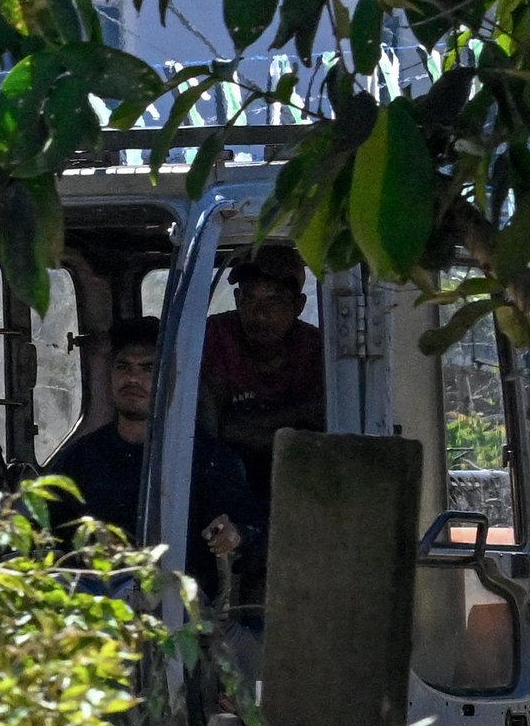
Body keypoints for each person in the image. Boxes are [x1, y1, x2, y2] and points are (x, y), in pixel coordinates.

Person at [47, 317, 251, 581]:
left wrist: (235, 536)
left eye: (148, 369)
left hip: (181, 609)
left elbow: (251, 533)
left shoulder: (208, 461)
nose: (132, 378)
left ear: (170, 379)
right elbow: (45, 535)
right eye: (123, 367)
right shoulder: (79, 460)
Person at [201, 245, 327, 475]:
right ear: (237, 299)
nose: (259, 314)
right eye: (249, 298)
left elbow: (320, 425)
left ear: (298, 305)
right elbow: (213, 429)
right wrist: (294, 417)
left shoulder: (316, 350)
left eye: (274, 300)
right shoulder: (214, 337)